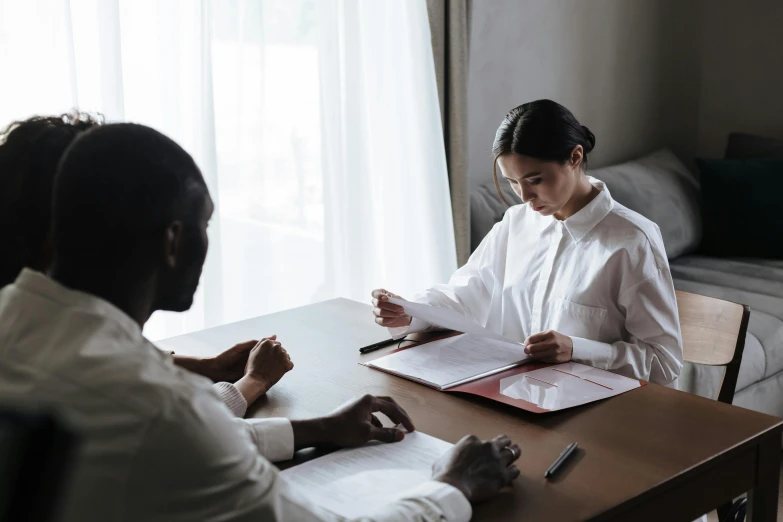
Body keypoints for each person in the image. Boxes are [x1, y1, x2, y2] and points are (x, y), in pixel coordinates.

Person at [0, 123, 521, 521]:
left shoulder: (18, 321)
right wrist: (452, 487)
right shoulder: (161, 410)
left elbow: (174, 445)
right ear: (173, 241)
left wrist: (313, 429)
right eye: (205, 223)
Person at [372, 99, 683, 386]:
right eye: (512, 182)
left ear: (574, 157)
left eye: (535, 180)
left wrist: (577, 349)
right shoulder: (515, 223)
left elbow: (664, 363)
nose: (524, 196)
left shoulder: (632, 241)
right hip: (508, 395)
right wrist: (412, 313)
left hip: (590, 410)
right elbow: (466, 296)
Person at [0, 112, 290, 416]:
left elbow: (99, 355)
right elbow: (171, 422)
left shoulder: (30, 309)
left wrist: (208, 367)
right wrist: (253, 383)